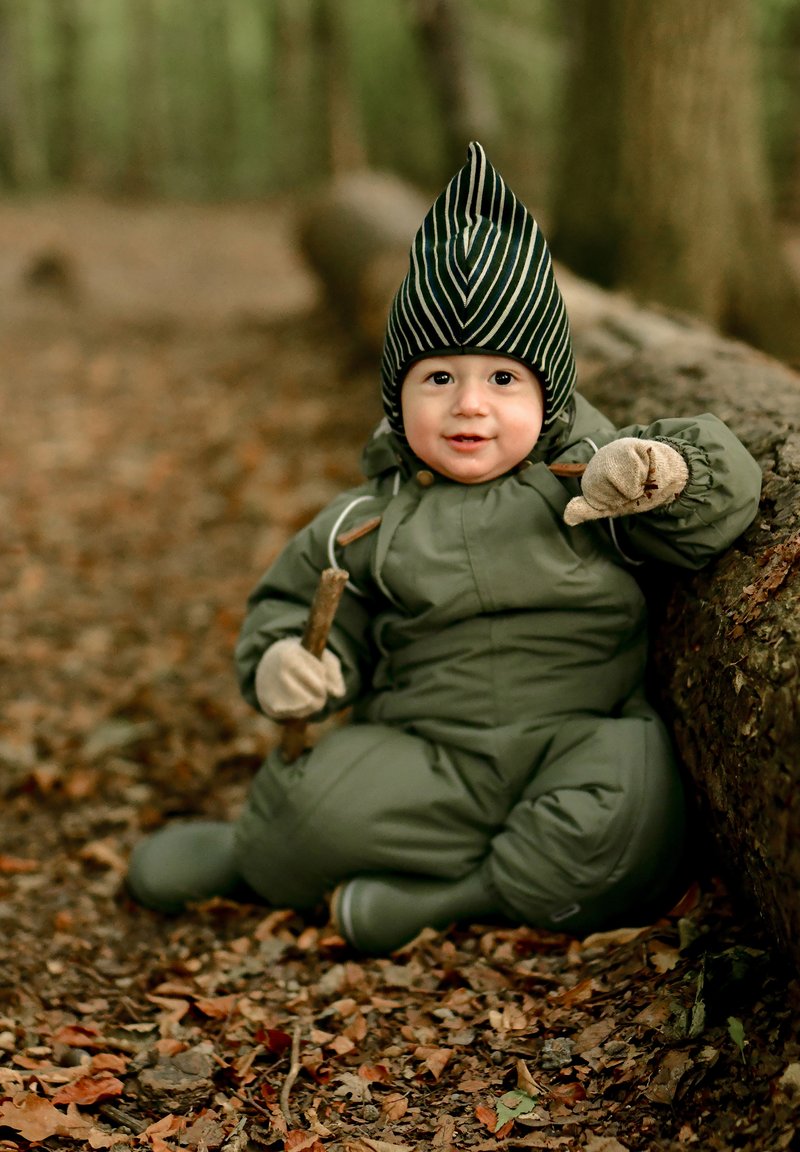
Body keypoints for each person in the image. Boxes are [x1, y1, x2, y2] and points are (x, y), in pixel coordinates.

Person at [127, 142, 762, 952]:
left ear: (550, 393)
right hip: (429, 754)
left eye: (503, 380)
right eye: (438, 379)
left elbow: (725, 493)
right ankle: (249, 856)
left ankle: (463, 893)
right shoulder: (363, 520)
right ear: (397, 397)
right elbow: (296, 606)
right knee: (305, 812)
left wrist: (668, 473)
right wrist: (286, 664)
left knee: (634, 802)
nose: (469, 406)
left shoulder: (592, 477)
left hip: (576, 735)